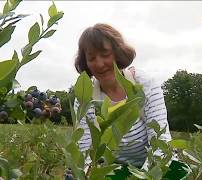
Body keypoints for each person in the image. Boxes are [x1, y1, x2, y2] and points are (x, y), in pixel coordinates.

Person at [73, 23, 173, 175]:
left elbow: (160, 143)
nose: (99, 64)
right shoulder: (84, 98)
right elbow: (83, 153)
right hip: (110, 172)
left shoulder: (144, 84)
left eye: (105, 54)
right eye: (91, 58)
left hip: (149, 171)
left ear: (118, 53)